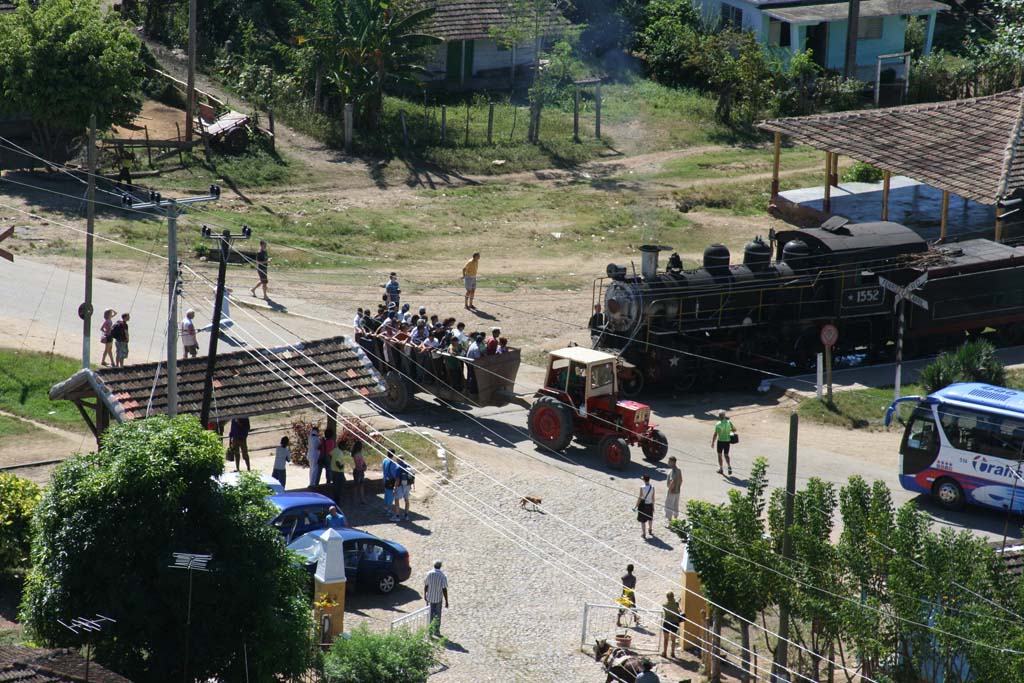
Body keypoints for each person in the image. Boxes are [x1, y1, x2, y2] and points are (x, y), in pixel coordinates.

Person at [423, 560, 449, 637]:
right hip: (438, 598)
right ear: (440, 566)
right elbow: (444, 589)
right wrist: (446, 601)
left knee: (430, 615)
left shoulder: (429, 574)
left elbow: (426, 585)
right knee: (438, 615)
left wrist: (425, 595)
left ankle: (430, 631)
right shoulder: (442, 576)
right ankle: (436, 631)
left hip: (430, 598)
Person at [711, 411, 736, 476]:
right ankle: (729, 466)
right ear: (724, 416)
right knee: (726, 455)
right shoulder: (729, 422)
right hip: (727, 441)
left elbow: (715, 434)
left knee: (719, 455)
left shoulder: (718, 424)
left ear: (719, 417)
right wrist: (729, 431)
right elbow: (734, 430)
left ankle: (721, 469)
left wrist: (713, 442)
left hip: (720, 441)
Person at [661, 592, 682, 659]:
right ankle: (672, 653)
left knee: (666, 639)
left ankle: (664, 652)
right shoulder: (676, 604)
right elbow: (679, 612)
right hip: (675, 622)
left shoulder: (664, 605)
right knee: (673, 639)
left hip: (667, 622)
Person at [392, 455, 413, 521]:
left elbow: (397, 479)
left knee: (397, 500)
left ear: (398, 460)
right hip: (407, 485)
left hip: (400, 486)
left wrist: (395, 488)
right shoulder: (408, 467)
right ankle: (406, 515)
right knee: (406, 500)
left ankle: (397, 516)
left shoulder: (398, 468)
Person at [637, 474, 655, 539]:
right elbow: (653, 498)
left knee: (643, 520)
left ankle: (644, 533)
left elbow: (640, 497)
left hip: (643, 505)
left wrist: (636, 505)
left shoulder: (642, 487)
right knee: (650, 518)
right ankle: (650, 530)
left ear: (644, 480)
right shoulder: (652, 487)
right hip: (650, 504)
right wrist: (653, 506)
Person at [329, 439, 346, 504]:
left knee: (335, 486)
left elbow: (330, 454)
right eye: (344, 446)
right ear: (341, 446)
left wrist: (332, 461)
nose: (345, 447)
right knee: (339, 487)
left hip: (333, 471)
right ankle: (337, 501)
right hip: (339, 472)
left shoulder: (335, 450)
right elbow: (337, 461)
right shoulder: (340, 453)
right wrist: (340, 467)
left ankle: (335, 500)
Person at [350, 440, 367, 504]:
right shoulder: (356, 454)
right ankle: (355, 500)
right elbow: (357, 464)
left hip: (361, 471)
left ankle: (362, 499)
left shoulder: (360, 453)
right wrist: (363, 468)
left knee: (361, 485)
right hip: (358, 471)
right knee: (356, 486)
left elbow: (363, 461)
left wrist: (365, 465)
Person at [665, 456, 682, 521]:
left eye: (669, 461)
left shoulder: (673, 471)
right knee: (676, 506)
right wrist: (678, 487)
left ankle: (670, 522)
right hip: (678, 491)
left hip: (672, 491)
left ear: (672, 462)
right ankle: (676, 520)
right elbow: (681, 480)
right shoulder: (679, 470)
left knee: (669, 506)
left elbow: (672, 481)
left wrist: (670, 489)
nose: (668, 462)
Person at [382, 448, 398, 513]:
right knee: (390, 496)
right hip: (390, 482)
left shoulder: (384, 460)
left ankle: (385, 508)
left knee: (386, 495)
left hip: (385, 480)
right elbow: (394, 474)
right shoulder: (392, 463)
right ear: (393, 454)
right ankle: (389, 510)